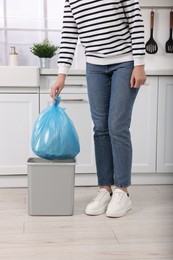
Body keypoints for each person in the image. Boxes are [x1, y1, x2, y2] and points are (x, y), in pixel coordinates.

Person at [50, 0, 146, 218]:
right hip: (94, 66)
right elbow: (69, 34)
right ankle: (105, 188)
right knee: (100, 128)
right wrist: (61, 74)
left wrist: (139, 63)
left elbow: (135, 20)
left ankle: (122, 190)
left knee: (117, 126)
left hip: (125, 62)